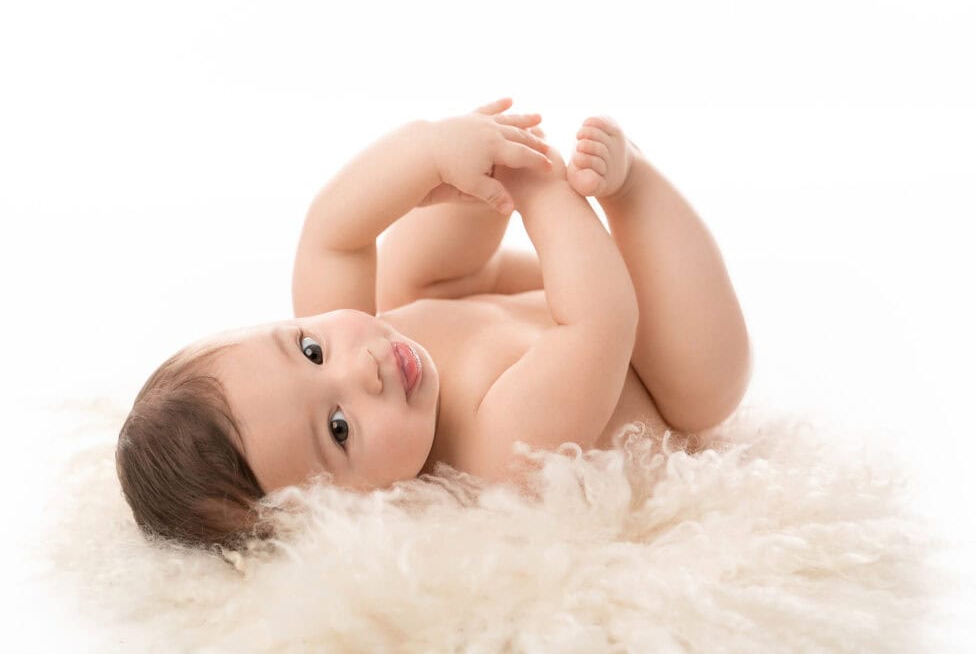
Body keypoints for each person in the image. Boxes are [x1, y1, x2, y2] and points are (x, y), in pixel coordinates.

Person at [115, 97, 752, 551]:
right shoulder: (500, 454)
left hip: (524, 292)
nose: (357, 367)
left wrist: (427, 152)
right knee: (701, 383)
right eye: (339, 429)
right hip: (641, 355)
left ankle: (481, 172)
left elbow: (331, 232)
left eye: (308, 348)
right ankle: (636, 186)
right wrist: (542, 191)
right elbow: (600, 323)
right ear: (354, 511)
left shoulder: (363, 341)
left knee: (404, 281)